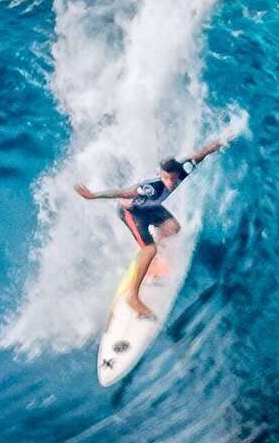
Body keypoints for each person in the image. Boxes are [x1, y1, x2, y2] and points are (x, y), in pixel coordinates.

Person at [77, 134, 231, 321]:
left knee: (173, 228)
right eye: (167, 178)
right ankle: (132, 297)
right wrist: (94, 195)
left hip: (149, 207)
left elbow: (203, 152)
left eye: (173, 179)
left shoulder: (184, 169)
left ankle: (151, 262)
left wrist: (223, 140)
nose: (171, 183)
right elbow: (124, 192)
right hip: (132, 213)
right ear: (161, 174)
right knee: (150, 249)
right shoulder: (151, 187)